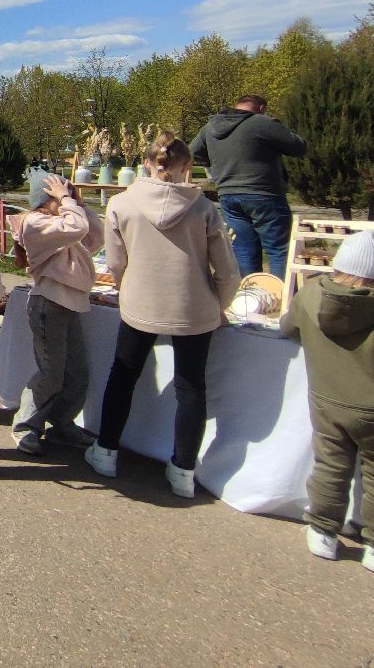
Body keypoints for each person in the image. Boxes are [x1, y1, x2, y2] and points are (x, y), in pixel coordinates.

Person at [86, 131, 240, 498]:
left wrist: (126, 288)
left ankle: (106, 450)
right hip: (194, 304)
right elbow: (227, 270)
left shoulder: (121, 204)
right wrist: (219, 303)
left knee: (123, 376)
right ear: (187, 167)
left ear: (146, 164)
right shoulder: (204, 209)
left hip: (140, 301)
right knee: (191, 386)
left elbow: (116, 262)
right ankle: (184, 469)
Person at [280, 230, 374, 572]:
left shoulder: (310, 294)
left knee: (330, 465)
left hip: (327, 401)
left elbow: (288, 327)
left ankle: (322, 531)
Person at [6, 170, 104, 455]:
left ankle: (62, 424)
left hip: (71, 304)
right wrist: (68, 202)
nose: (67, 198)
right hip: (48, 305)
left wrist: (77, 203)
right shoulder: (35, 224)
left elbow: (95, 236)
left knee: (77, 373)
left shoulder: (62, 221)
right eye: (61, 194)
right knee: (51, 373)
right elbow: (77, 228)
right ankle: (25, 426)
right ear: (46, 198)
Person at [191, 94, 308, 279]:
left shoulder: (210, 127)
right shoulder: (262, 123)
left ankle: (250, 294)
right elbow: (298, 146)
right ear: (261, 108)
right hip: (264, 193)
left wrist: (215, 160)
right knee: (279, 249)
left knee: (243, 250)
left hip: (228, 194)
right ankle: (280, 294)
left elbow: (192, 152)